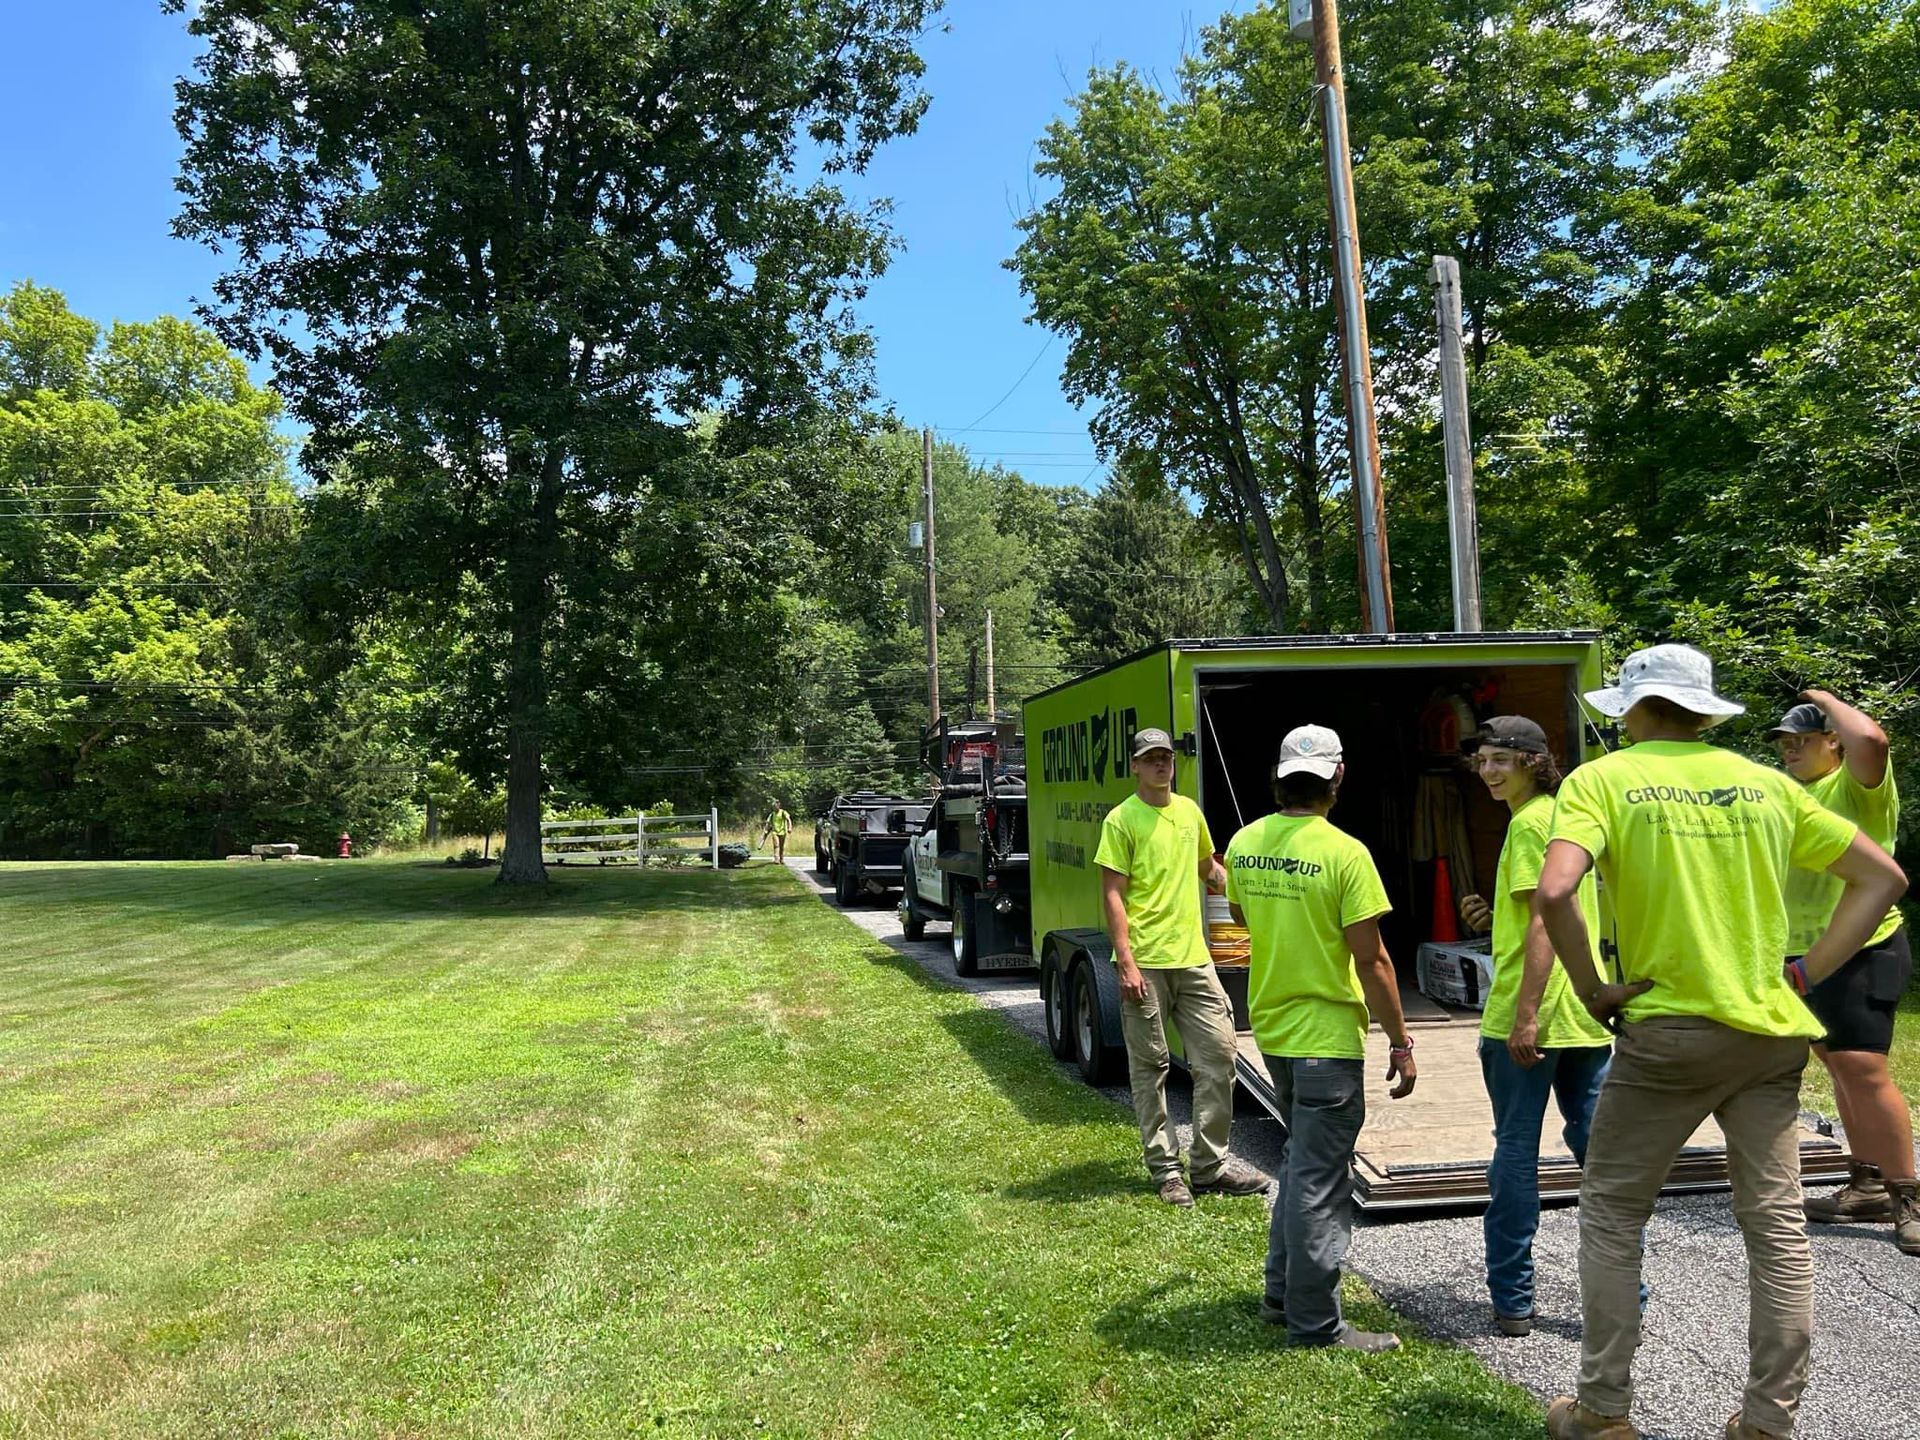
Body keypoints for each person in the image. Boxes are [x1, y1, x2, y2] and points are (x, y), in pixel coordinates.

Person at [1534, 644, 1907, 1440]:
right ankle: (1768, 1422)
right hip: (1767, 1034)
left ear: (1632, 710)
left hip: (1666, 1036)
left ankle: (1602, 1413)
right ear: (1707, 711)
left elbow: (1558, 888)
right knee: (1775, 1228)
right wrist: (1806, 973)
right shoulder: (1769, 786)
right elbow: (1883, 878)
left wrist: (1592, 987)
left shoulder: (1602, 781)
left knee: (1612, 1215)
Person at [1225, 724, 1415, 1353]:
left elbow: (1243, 917)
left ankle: (1281, 1295)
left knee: (1297, 1164)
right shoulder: (1345, 854)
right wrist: (1400, 1040)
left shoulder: (1245, 843)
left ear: (1279, 780)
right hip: (1327, 1039)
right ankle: (1315, 1324)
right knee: (1318, 1180)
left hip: (1274, 1032)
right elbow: (1375, 961)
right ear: (1338, 777)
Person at [1458, 717, 1616, 1338]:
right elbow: (1544, 914)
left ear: (1533, 760)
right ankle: (1624, 1296)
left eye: (1502, 759)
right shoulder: (1570, 817)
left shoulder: (1528, 825)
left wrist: (1525, 1014)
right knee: (1601, 1159)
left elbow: (1545, 923)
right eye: (1483, 761)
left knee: (1516, 1155)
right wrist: (1493, 917)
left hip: (1528, 1021)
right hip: (1584, 1012)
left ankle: (1513, 1300)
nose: (1490, 771)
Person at [1096, 727, 1271, 1208]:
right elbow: (1112, 892)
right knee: (1150, 1068)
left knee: (1219, 1058)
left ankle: (1209, 1167)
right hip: (1145, 963)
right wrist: (1126, 962)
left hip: (1194, 959)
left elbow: (1207, 868)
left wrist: (1244, 883)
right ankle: (1166, 1170)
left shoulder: (1190, 812)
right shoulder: (1121, 820)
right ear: (1135, 765)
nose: (1160, 765)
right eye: (1150, 758)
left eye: (1165, 758)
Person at [1767, 692, 1917, 1254]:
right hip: (1806, 953)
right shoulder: (1790, 796)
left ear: (1833, 740)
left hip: (1865, 947)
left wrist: (1824, 699)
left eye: (1800, 739)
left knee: (1862, 1067)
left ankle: (1910, 1197)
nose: (1789, 751)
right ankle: (1867, 1184)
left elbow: (1873, 740)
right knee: (1838, 1067)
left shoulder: (1858, 787)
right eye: (1783, 743)